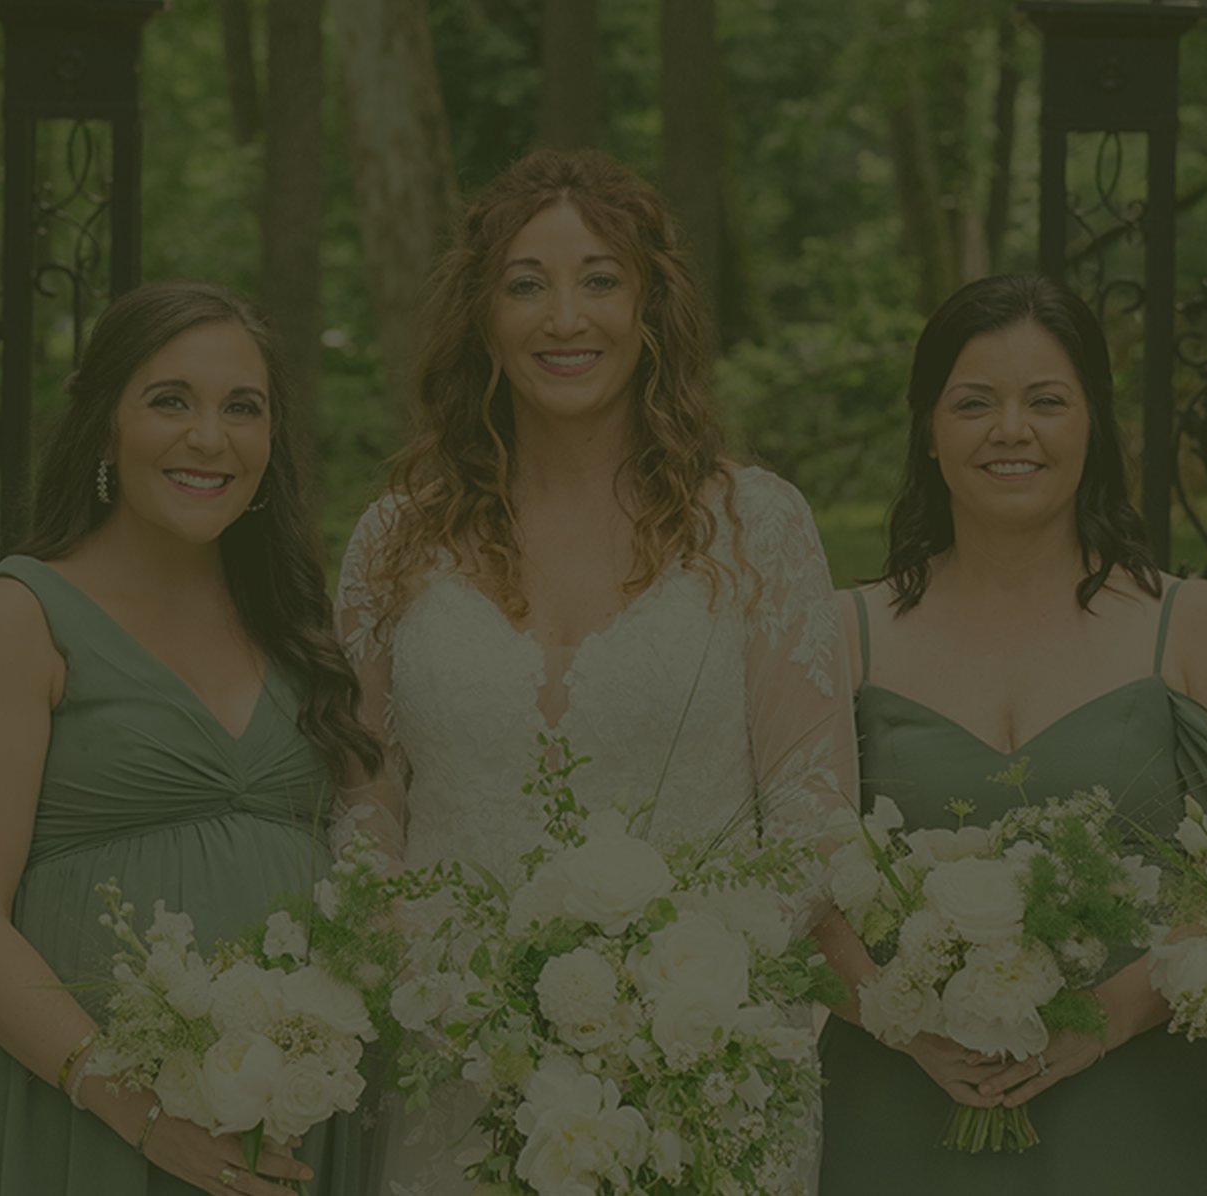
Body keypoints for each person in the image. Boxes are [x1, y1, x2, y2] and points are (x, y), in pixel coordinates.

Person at [331, 147, 858, 1194]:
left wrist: (652, 1007)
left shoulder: (755, 527)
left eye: (599, 279)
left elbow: (811, 823)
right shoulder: (395, 541)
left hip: (703, 1085)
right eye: (525, 283)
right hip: (457, 1083)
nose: (563, 316)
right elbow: (361, 817)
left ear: (651, 307)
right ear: (481, 317)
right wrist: (465, 1005)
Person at [0, 281, 381, 1195]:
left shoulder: (294, 624)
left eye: (244, 408)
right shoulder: (21, 616)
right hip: (73, 1119)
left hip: (285, 1129)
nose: (210, 437)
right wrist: (142, 1112)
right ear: (108, 429)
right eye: (170, 401)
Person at [816, 273, 1207, 1194]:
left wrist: (1102, 1018)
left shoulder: (1195, 624)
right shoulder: (838, 635)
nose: (1011, 430)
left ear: (1093, 425)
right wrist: (900, 1017)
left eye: (1047, 401)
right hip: (902, 1102)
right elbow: (794, 886)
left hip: (1141, 1110)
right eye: (974, 403)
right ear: (931, 431)